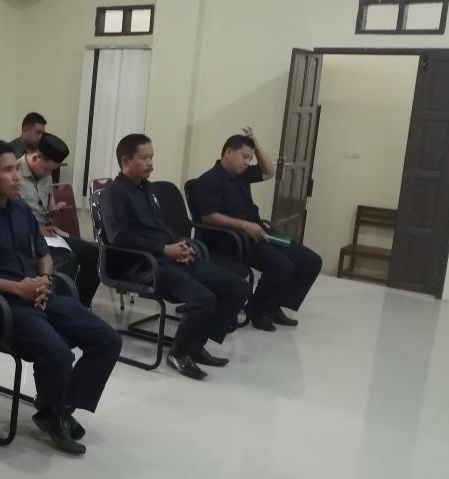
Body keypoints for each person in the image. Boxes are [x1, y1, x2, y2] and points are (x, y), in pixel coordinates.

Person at [0, 139, 121, 455]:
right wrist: (18, 288)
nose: (16, 176)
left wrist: (44, 279)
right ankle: (54, 414)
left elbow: (43, 253)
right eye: (7, 170)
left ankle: (58, 408)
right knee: (59, 354)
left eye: (16, 168)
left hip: (40, 294)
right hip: (4, 304)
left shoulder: (21, 210)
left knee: (107, 340)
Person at [101, 134, 250, 380]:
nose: (151, 163)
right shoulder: (114, 194)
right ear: (126, 161)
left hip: (170, 257)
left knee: (238, 288)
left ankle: (195, 344)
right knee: (203, 299)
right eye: (144, 158)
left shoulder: (147, 188)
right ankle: (179, 353)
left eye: (152, 157)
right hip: (144, 265)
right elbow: (119, 238)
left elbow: (161, 225)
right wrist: (164, 249)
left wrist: (181, 244)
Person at [195, 128, 322, 331]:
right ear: (228, 152)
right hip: (234, 239)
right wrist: (244, 225)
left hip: (259, 231)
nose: (247, 162)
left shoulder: (242, 175)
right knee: (282, 265)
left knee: (311, 261)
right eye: (244, 157)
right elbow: (209, 216)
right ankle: (258, 311)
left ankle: (273, 305)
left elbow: (270, 171)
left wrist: (256, 144)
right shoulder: (209, 180)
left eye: (250, 158)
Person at [18, 133, 101, 307]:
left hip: (49, 233)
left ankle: (79, 306)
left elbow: (43, 208)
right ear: (36, 157)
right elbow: (9, 214)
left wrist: (53, 210)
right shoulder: (13, 174)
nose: (50, 174)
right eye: (48, 169)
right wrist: (36, 229)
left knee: (95, 253)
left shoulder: (46, 175)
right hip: (26, 236)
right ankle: (56, 307)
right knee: (68, 259)